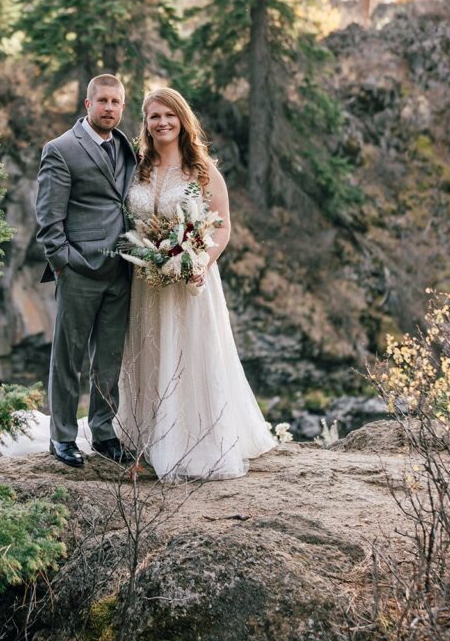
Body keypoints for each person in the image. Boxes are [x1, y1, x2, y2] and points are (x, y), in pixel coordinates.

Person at [114, 87, 276, 480]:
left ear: (182, 120)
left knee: (189, 352)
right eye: (154, 116)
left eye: (169, 115)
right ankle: (145, 437)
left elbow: (222, 226)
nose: (162, 122)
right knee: (149, 351)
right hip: (145, 282)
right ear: (146, 123)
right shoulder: (136, 166)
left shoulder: (202, 170)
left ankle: (194, 439)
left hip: (190, 280)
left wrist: (198, 261)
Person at [35, 74, 137, 468]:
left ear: (122, 107)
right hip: (78, 270)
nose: (109, 108)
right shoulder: (61, 150)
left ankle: (104, 433)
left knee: (109, 358)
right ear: (87, 104)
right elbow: (48, 219)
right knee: (68, 357)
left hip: (122, 269)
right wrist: (64, 264)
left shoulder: (126, 146)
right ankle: (61, 437)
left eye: (116, 102)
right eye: (103, 101)